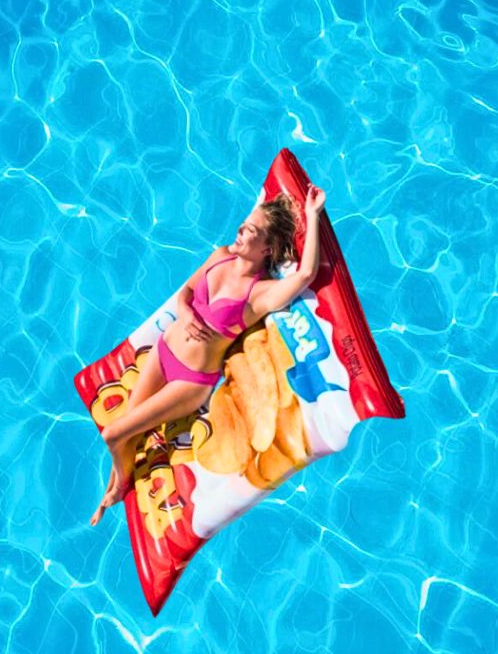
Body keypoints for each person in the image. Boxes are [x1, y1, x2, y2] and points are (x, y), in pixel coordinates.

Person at [90, 183, 326, 526]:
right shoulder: (221, 255)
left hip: (190, 381)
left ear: (267, 248)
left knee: (113, 434)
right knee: (126, 429)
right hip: (163, 353)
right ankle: (113, 486)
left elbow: (305, 274)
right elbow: (186, 291)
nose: (241, 231)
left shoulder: (258, 294)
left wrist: (312, 215)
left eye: (252, 230)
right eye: (244, 224)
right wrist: (186, 313)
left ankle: (119, 485)